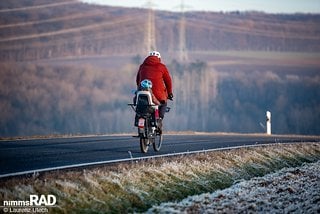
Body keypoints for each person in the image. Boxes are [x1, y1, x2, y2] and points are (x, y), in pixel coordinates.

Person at [136, 51, 173, 121]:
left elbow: (138, 80)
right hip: (158, 95)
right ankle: (160, 118)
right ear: (159, 58)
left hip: (143, 92)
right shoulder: (162, 67)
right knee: (163, 103)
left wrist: (139, 89)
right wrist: (170, 93)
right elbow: (168, 81)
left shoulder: (142, 66)